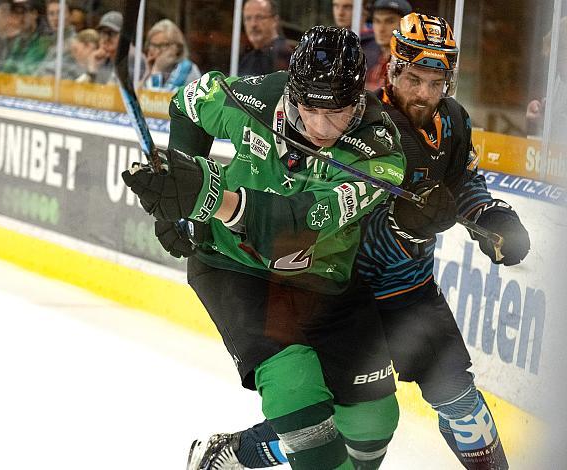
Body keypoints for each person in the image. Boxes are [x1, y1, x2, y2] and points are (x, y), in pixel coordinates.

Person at [184, 13, 530, 470]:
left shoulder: (454, 121)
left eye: (436, 81)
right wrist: (405, 228)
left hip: (409, 292)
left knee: (459, 400)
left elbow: (462, 183)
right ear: (392, 68)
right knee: (337, 415)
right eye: (414, 78)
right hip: (349, 289)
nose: (424, 93)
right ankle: (236, 453)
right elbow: (325, 214)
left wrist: (488, 214)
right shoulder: (359, 121)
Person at [122, 26, 453, 470]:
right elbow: (188, 104)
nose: (320, 127)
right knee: (297, 395)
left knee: (374, 419)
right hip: (235, 267)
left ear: (358, 99)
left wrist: (207, 195)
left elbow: (297, 222)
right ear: (291, 92)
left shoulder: (380, 151)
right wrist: (178, 204)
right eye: (309, 109)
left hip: (327, 281)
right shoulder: (254, 100)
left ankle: (236, 454)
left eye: (335, 113)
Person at [81, 10, 146, 84]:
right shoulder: (104, 59)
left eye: (111, 33)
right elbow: (82, 90)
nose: (105, 39)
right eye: (103, 33)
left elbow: (114, 91)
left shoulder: (135, 59)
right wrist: (91, 70)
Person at [361, 0, 411, 90]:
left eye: (389, 21)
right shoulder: (365, 53)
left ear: (406, 26)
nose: (381, 29)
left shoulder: (410, 63)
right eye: (377, 21)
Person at [141, 19, 201, 91]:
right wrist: (148, 72)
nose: (157, 51)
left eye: (163, 45)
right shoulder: (143, 68)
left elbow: (162, 99)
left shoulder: (188, 69)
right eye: (153, 45)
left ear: (177, 48)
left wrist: (157, 71)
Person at [238, 0, 293, 76]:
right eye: (248, 18)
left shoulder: (284, 55)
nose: (253, 24)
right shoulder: (247, 60)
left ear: (275, 21)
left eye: (259, 17)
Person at [0, 0, 52, 75]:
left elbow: (28, 70)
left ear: (34, 14)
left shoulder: (44, 39)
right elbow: (7, 66)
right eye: (17, 13)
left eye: (23, 12)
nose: (20, 18)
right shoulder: (19, 39)